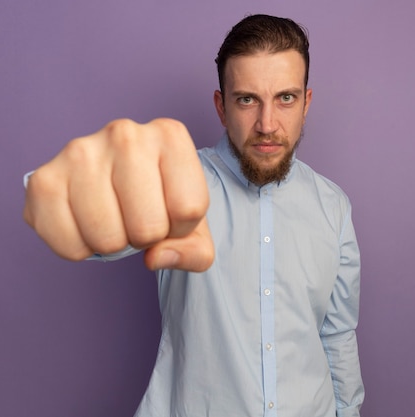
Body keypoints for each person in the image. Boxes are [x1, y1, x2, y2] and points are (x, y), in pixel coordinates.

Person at [24, 14, 364, 417]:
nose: (267, 124)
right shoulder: (174, 185)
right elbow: (96, 222)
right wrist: (69, 192)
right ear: (221, 107)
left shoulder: (333, 205)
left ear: (306, 103)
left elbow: (337, 334)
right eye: (247, 99)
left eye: (285, 98)